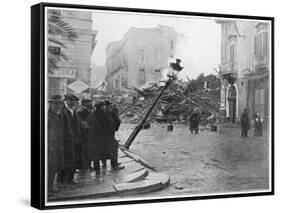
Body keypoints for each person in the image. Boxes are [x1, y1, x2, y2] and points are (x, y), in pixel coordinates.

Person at [88, 101, 124, 176]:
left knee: (96, 153)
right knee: (114, 148)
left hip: (95, 138)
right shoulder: (105, 115)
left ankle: (97, 168)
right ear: (101, 107)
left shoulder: (92, 114)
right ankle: (115, 165)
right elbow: (111, 124)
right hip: (106, 137)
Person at [61, 94, 82, 184]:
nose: (72, 102)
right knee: (66, 159)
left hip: (75, 140)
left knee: (73, 159)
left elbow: (77, 124)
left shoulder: (74, 111)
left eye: (74, 101)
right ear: (66, 101)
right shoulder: (63, 111)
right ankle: (64, 180)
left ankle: (70, 178)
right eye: (70, 100)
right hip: (66, 140)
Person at [48, 94, 64, 193]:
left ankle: (51, 186)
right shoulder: (48, 116)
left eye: (60, 104)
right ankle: (49, 188)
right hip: (50, 147)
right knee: (50, 167)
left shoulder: (59, 115)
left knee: (55, 167)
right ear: (51, 104)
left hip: (57, 145)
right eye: (55, 104)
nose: (58, 106)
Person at [104, 101, 124, 170]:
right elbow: (117, 122)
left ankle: (106, 163)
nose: (110, 107)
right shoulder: (108, 113)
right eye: (109, 105)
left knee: (108, 149)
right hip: (108, 135)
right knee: (114, 148)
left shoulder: (106, 113)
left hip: (107, 134)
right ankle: (114, 164)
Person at [78, 99, 93, 171]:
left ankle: (87, 165)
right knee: (85, 151)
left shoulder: (89, 112)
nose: (91, 104)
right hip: (84, 135)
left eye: (91, 102)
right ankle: (85, 166)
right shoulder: (81, 112)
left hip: (89, 135)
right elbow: (81, 124)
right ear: (84, 104)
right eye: (89, 102)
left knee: (89, 150)